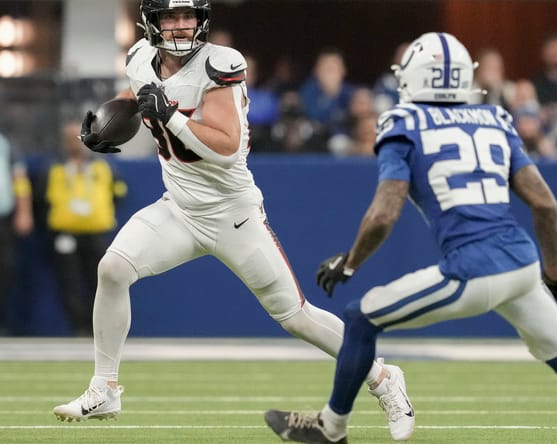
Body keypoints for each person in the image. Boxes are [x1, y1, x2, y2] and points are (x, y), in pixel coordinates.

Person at [263, 32, 557, 444]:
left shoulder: (403, 122)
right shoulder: (493, 118)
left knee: (359, 317)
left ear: (414, 78)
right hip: (521, 264)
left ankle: (332, 427)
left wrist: (349, 262)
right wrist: (555, 272)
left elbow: (385, 211)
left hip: (473, 268)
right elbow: (544, 203)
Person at [52, 2, 414, 439]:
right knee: (111, 269)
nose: (182, 25)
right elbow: (139, 94)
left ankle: (382, 377)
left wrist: (170, 116)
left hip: (232, 215)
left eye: (189, 16)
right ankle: (104, 387)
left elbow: (225, 145)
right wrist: (105, 121)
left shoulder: (220, 64)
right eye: (171, 17)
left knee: (296, 316)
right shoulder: (140, 57)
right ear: (152, 22)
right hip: (179, 208)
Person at [45, 120, 127, 336]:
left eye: (78, 138)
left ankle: (96, 328)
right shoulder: (54, 167)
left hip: (96, 232)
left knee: (99, 281)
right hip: (65, 233)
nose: (74, 143)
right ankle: (78, 326)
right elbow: (41, 200)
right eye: (70, 138)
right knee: (68, 282)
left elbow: (119, 193)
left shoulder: (103, 166)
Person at [0, 130, 33, 335]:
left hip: (2, 219)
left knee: (5, 269)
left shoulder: (5, 143)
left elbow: (19, 179)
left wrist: (24, 211)